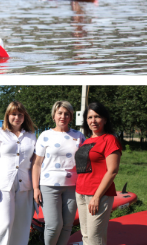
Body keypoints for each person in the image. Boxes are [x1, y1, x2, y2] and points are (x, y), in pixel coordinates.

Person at [32, 101, 85, 245]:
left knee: (67, 225)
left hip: (73, 186)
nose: (63, 116)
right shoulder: (45, 135)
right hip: (49, 186)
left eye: (67, 114)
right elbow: (36, 164)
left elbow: (85, 161)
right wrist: (36, 188)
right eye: (60, 113)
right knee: (54, 225)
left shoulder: (79, 136)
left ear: (71, 117)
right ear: (54, 116)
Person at [0, 102, 37, 245]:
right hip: (3, 185)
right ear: (7, 116)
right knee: (6, 222)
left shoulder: (31, 135)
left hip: (25, 186)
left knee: (22, 224)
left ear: (24, 116)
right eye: (14, 114)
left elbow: (35, 161)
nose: (17, 117)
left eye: (20, 114)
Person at [75, 101, 122, 244]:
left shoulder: (110, 140)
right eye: (90, 117)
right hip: (81, 193)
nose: (93, 121)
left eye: (97, 116)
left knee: (96, 236)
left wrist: (96, 196)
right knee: (86, 235)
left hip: (98, 194)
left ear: (105, 119)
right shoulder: (87, 141)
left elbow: (112, 171)